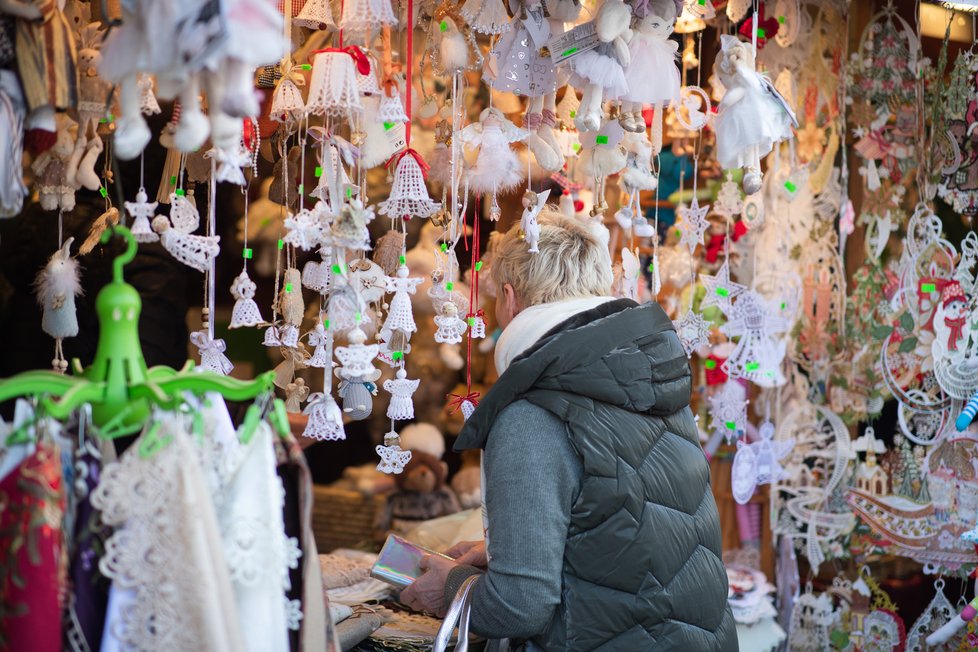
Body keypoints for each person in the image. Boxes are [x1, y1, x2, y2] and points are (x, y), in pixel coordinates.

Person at [400, 209, 738, 651]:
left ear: (510, 297)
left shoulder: (532, 412)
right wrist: (508, 550)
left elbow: (519, 606)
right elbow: (625, 526)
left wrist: (452, 587)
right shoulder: (645, 379)